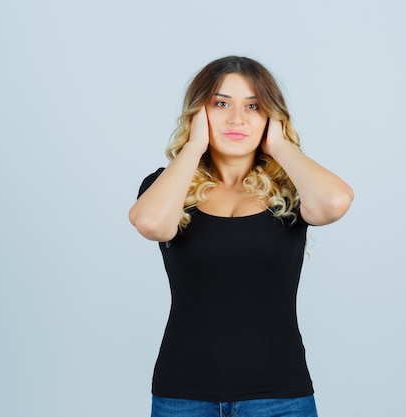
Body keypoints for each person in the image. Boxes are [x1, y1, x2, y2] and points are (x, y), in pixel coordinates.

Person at [129, 56, 354, 417]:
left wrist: (279, 146)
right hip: (183, 396)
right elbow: (152, 223)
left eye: (254, 106)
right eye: (221, 104)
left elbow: (336, 202)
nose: (237, 119)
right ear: (199, 113)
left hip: (280, 397)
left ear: (271, 116)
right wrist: (194, 146)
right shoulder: (168, 187)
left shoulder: (291, 189)